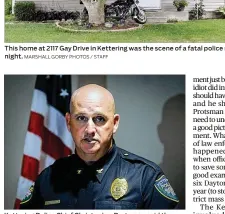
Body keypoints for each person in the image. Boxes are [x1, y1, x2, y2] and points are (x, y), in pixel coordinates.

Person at [20, 84, 179, 209]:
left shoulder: (145, 178)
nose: (89, 130)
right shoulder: (48, 178)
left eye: (100, 119)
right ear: (68, 122)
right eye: (81, 118)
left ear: (115, 123)